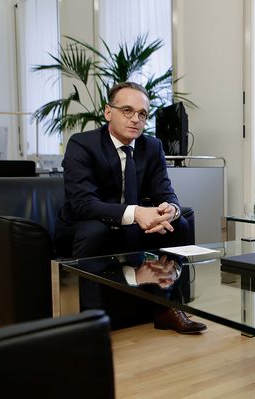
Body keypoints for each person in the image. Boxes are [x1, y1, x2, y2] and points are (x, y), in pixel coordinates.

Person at [55, 81, 206, 334]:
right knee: (95, 231)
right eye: (127, 110)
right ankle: (92, 323)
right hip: (85, 225)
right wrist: (136, 213)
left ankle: (167, 308)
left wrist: (170, 209)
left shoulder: (152, 146)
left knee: (178, 224)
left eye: (142, 114)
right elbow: (83, 204)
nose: (136, 119)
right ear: (108, 112)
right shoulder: (82, 144)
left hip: (131, 228)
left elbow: (165, 191)